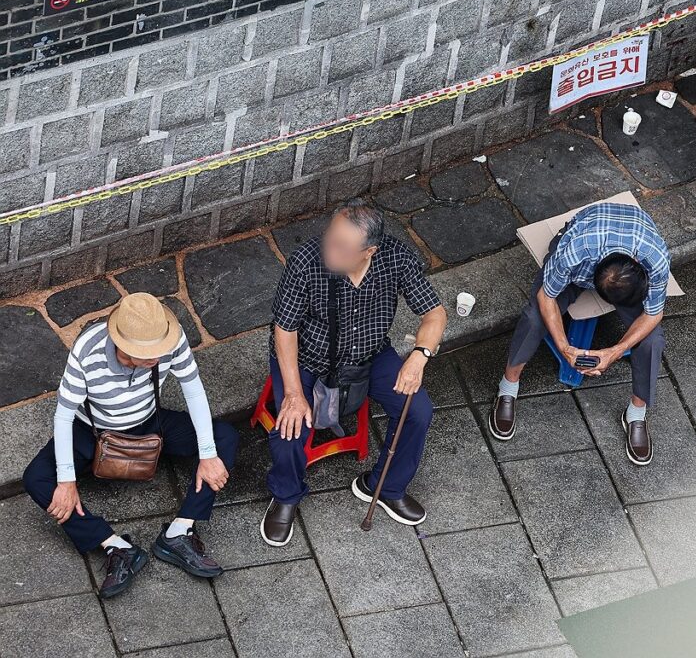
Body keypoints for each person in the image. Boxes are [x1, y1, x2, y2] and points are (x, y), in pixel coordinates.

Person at [22, 293, 239, 598]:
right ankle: (115, 546)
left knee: (224, 438)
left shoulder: (169, 335)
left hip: (150, 424)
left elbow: (194, 391)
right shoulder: (88, 349)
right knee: (37, 479)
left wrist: (207, 454)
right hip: (92, 431)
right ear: (124, 345)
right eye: (150, 352)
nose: (160, 355)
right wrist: (67, 480)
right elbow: (63, 415)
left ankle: (179, 532)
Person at [261, 199, 446, 546]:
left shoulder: (396, 257)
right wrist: (293, 394)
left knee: (418, 410)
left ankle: (384, 485)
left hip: (370, 354)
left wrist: (419, 356)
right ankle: (285, 495)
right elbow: (284, 330)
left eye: (342, 246)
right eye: (331, 237)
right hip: (308, 358)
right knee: (289, 427)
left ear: (369, 251)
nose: (330, 249)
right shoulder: (306, 262)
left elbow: (435, 315)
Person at [490, 201, 669, 466]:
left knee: (653, 339)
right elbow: (546, 295)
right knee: (533, 317)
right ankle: (508, 386)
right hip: (581, 246)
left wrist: (614, 351)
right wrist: (564, 346)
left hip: (629, 248)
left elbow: (653, 313)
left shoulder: (655, 258)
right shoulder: (575, 252)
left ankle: (636, 412)